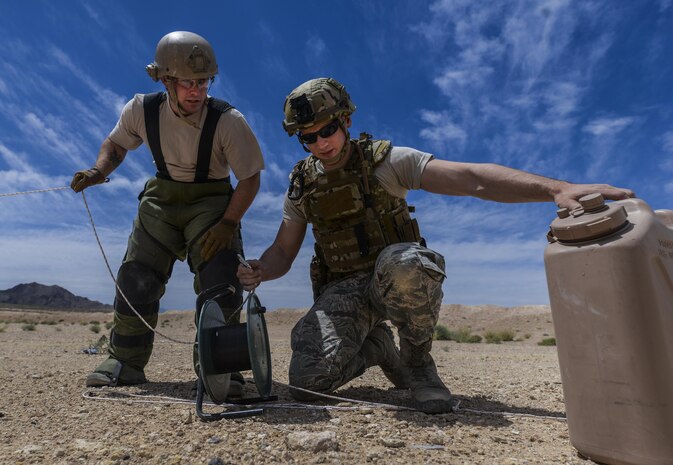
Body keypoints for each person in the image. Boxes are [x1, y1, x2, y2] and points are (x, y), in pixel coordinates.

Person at [236, 77, 634, 414]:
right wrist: (260, 270)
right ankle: (378, 350)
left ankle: (416, 362)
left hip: (394, 278)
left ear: (346, 120)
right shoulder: (301, 186)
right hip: (344, 291)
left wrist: (557, 189)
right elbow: (284, 251)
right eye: (309, 137)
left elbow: (473, 179)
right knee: (308, 385)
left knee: (406, 263)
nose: (321, 143)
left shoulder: (385, 161)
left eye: (327, 130)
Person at [71, 31, 264, 395]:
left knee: (221, 278)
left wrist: (228, 224)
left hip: (212, 203)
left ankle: (220, 370)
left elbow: (250, 178)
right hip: (162, 198)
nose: (197, 91)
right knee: (136, 276)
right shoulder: (142, 110)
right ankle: (125, 363)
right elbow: (115, 143)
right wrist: (99, 171)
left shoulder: (228, 121)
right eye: (188, 83)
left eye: (204, 82)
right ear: (165, 79)